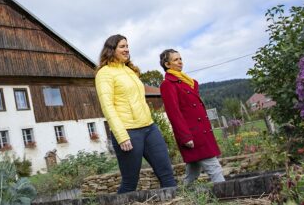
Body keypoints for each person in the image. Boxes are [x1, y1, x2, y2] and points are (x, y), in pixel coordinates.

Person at [95, 35, 177, 193]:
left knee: (167, 173)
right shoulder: (104, 73)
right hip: (128, 132)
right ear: (111, 49)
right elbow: (107, 106)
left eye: (127, 46)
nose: (126, 49)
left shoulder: (130, 71)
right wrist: (121, 135)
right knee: (130, 182)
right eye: (122, 46)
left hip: (149, 128)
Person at [158, 49, 225, 184]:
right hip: (192, 134)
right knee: (214, 167)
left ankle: (183, 195)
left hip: (202, 131)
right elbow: (174, 113)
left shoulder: (187, 82)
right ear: (167, 64)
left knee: (193, 170)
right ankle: (226, 196)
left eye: (180, 58)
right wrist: (185, 137)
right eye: (176, 59)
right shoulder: (168, 84)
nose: (180, 62)